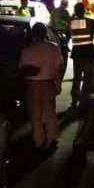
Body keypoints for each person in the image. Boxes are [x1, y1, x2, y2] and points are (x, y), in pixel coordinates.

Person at [18, 23, 63, 151]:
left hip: (32, 85)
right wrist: (58, 83)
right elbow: (59, 67)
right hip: (48, 83)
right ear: (45, 33)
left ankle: (39, 141)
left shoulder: (27, 49)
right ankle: (52, 138)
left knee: (35, 115)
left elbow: (22, 68)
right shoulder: (53, 48)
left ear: (33, 33)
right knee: (50, 113)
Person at [69, 1, 94, 108]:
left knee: (77, 78)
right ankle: (84, 101)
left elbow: (68, 36)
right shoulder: (90, 21)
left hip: (77, 53)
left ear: (75, 11)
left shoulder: (71, 22)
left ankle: (74, 101)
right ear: (84, 10)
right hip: (89, 52)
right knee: (88, 78)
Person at [49, 0, 71, 64]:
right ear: (65, 5)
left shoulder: (55, 10)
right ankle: (66, 45)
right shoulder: (65, 12)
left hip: (54, 30)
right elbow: (68, 22)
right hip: (61, 31)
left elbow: (51, 20)